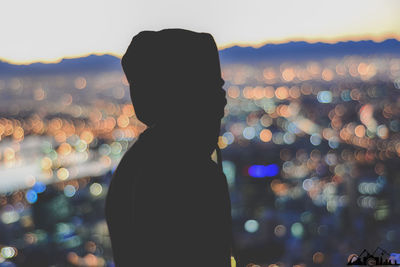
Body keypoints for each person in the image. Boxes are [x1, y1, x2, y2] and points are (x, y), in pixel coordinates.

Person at [105, 29, 233, 266]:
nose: (222, 103)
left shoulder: (140, 163)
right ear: (184, 97)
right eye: (213, 89)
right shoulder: (188, 176)